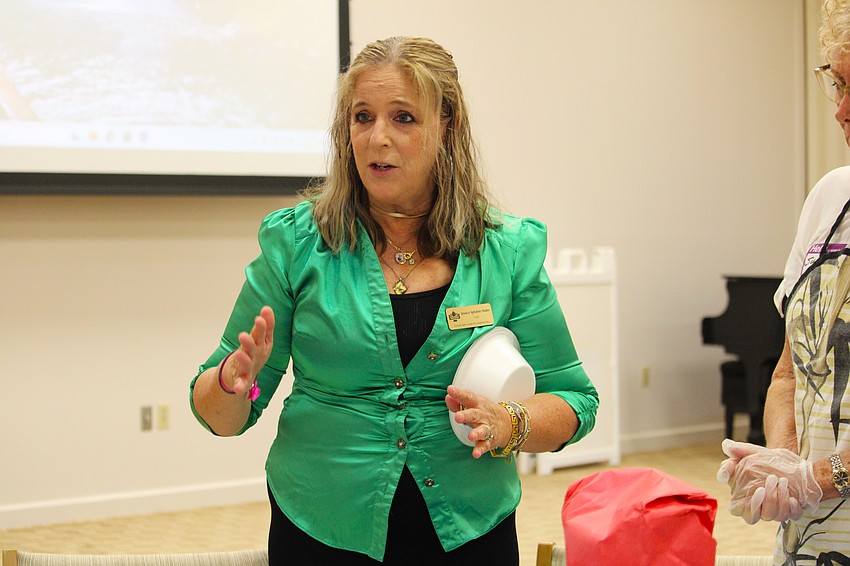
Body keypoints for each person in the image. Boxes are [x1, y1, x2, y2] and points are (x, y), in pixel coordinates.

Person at [189, 36, 598, 565]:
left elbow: (574, 400)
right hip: (324, 525)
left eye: (403, 118)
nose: (377, 137)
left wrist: (511, 422)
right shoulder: (296, 243)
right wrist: (231, 384)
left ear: (446, 126)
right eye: (363, 117)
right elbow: (220, 416)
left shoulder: (506, 249)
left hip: (469, 527)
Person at [717, 1, 850, 561]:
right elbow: (788, 372)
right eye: (839, 83)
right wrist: (782, 460)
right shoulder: (830, 198)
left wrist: (817, 478)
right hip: (809, 541)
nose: (842, 110)